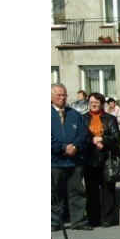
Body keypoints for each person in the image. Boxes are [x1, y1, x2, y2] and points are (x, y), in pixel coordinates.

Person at [51, 83, 91, 231]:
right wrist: (62, 147)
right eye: (58, 95)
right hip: (55, 162)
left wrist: (74, 146)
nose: (62, 98)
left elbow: (84, 134)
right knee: (54, 194)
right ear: (50, 97)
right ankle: (55, 221)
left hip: (74, 161)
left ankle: (78, 221)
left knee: (77, 192)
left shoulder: (75, 114)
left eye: (64, 95)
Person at [82, 92, 120, 228]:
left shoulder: (110, 119)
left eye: (97, 103)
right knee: (91, 191)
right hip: (90, 159)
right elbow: (81, 137)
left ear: (102, 104)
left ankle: (106, 219)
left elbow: (116, 138)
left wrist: (102, 139)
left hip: (107, 158)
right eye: (92, 102)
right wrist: (92, 140)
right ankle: (93, 218)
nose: (94, 104)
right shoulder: (83, 118)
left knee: (107, 190)